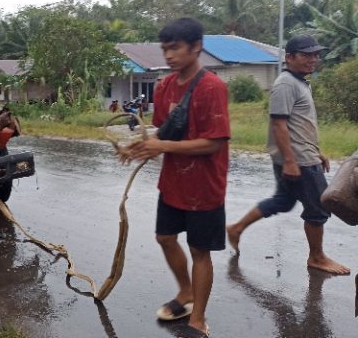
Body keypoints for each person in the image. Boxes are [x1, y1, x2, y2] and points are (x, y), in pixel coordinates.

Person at [121, 17, 230, 338]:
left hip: (205, 186)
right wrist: (138, 147)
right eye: (164, 49)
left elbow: (215, 142)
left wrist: (162, 145)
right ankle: (186, 291)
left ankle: (198, 319)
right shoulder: (165, 86)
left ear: (197, 47)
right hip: (173, 181)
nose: (169, 56)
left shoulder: (213, 87)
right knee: (165, 238)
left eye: (175, 48)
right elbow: (163, 131)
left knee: (200, 250)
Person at [226, 35, 350, 276]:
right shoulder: (285, 84)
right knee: (319, 208)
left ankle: (237, 228)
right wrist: (292, 161)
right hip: (298, 160)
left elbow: (300, 125)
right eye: (306, 55)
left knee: (283, 201)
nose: (313, 59)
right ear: (289, 57)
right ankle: (316, 257)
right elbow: (278, 125)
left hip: (303, 155)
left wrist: (317, 151)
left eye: (316, 54)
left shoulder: (299, 81)